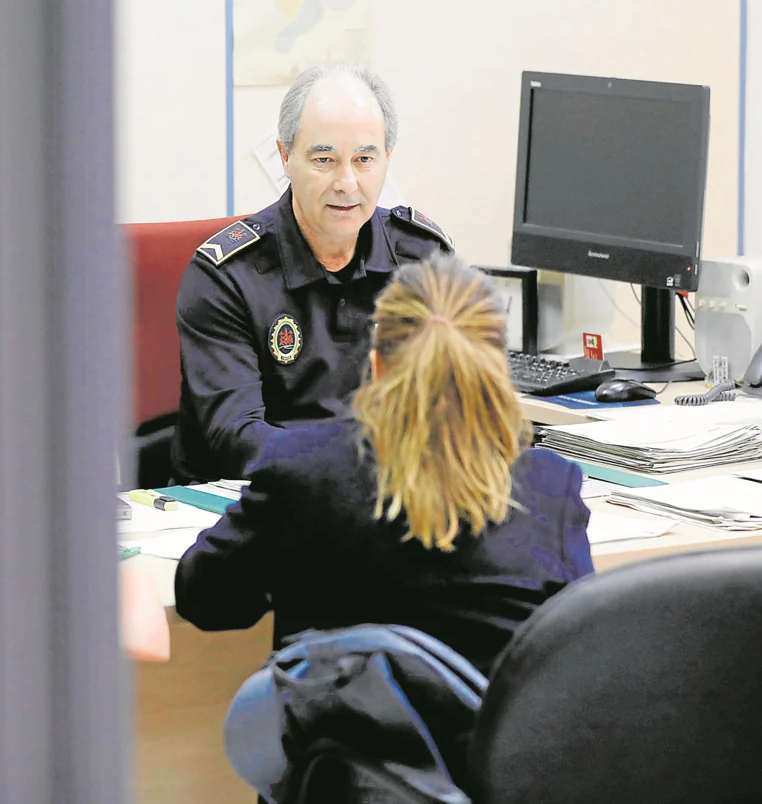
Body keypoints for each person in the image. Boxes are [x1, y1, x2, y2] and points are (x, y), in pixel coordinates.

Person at [174, 255, 594, 677]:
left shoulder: (302, 469)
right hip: (495, 741)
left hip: (342, 737)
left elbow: (206, 600)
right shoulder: (550, 486)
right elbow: (573, 646)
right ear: (498, 372)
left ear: (375, 366)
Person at [171, 63, 453, 484]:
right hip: (256, 508)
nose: (347, 182)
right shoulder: (227, 276)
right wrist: (357, 470)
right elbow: (237, 439)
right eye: (325, 159)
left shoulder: (424, 258)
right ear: (286, 156)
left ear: (386, 160)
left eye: (364, 159)